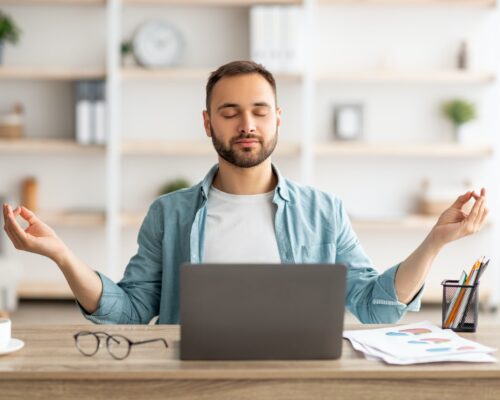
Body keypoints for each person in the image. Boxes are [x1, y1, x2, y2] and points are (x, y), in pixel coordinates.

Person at [2, 61, 488, 325]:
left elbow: (374, 306)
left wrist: (435, 242)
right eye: (229, 111)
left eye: (259, 110)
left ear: (278, 119)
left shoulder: (324, 211)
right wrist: (64, 256)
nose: (247, 124)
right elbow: (127, 311)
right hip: (190, 382)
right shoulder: (169, 214)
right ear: (208, 122)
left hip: (300, 381)